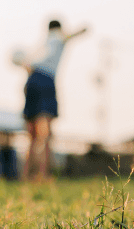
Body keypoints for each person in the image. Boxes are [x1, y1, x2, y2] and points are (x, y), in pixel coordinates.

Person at [12, 20, 88, 182]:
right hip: (45, 81)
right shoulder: (58, 37)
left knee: (31, 134)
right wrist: (81, 30)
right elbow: (69, 35)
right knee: (46, 133)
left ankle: (26, 175)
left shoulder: (42, 44)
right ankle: (43, 174)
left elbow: (22, 61)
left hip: (31, 81)